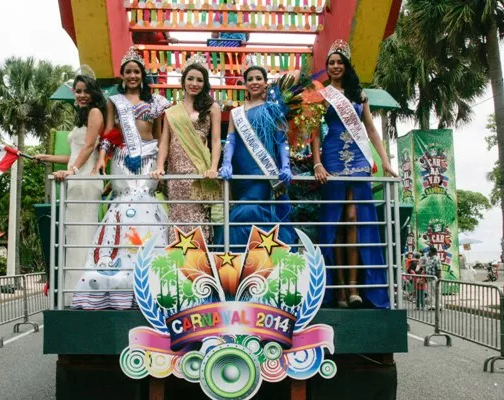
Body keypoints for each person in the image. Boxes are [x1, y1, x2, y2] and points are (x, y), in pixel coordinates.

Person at [71, 47, 170, 310]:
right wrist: (103, 157)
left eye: (137, 71)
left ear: (142, 74)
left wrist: (161, 165)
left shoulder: (157, 102)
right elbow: (111, 133)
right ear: (123, 76)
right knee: (122, 205)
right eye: (128, 72)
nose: (133, 75)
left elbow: (161, 138)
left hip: (148, 159)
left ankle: (151, 274)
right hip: (122, 159)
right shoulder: (114, 101)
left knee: (145, 206)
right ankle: (116, 276)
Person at [313, 40, 398, 309]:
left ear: (346, 65)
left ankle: (354, 287)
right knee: (336, 221)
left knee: (355, 219)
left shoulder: (359, 95)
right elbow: (314, 131)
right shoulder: (321, 94)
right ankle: (337, 289)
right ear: (327, 67)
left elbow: (371, 129)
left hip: (360, 159)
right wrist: (316, 163)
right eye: (331, 63)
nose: (335, 66)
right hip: (333, 157)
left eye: (339, 62)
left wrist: (385, 161)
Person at [34, 73, 105, 304]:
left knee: (84, 235)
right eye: (78, 91)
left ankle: (86, 294)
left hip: (85, 179)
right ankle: (72, 294)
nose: (82, 95)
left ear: (93, 92)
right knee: (72, 236)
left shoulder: (95, 113)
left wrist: (73, 170)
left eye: (86, 91)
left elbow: (90, 147)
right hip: (74, 178)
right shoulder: (80, 118)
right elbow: (74, 154)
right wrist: (48, 157)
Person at [218, 64, 296, 248]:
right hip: (241, 173)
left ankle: (261, 254)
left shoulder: (272, 109)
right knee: (241, 208)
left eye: (258, 78)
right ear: (245, 84)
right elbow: (231, 140)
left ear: (265, 83)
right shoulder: (236, 113)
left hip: (264, 173)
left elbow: (281, 140)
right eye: (250, 79)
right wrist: (226, 163)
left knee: (252, 211)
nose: (254, 82)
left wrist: (286, 165)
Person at [151, 56, 222, 242]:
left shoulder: (212, 108)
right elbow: (165, 141)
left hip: (199, 172)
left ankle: (200, 263)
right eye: (190, 78)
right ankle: (177, 264)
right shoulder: (171, 112)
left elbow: (215, 141)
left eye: (199, 80)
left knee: (198, 217)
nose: (194, 83)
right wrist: (160, 166)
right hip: (176, 175)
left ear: (205, 83)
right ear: (183, 81)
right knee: (177, 216)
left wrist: (213, 167)